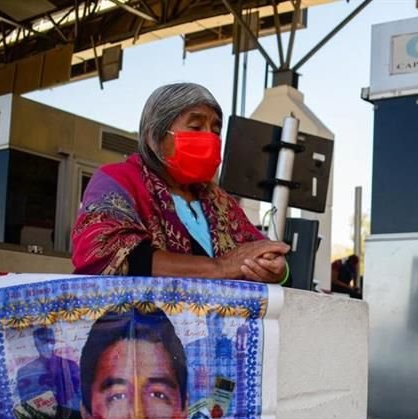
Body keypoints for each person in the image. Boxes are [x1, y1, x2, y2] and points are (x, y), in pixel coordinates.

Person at [71, 82, 290, 283]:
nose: (209, 138)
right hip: (137, 324)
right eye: (195, 127)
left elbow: (258, 252)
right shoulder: (118, 181)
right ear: (153, 136)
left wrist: (275, 270)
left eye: (215, 130)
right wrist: (219, 267)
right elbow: (106, 254)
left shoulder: (221, 202)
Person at [15, 326, 82, 419]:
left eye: (49, 341)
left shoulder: (71, 366)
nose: (45, 346)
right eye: (41, 342)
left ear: (54, 342)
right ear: (35, 344)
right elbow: (26, 404)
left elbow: (80, 395)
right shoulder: (25, 371)